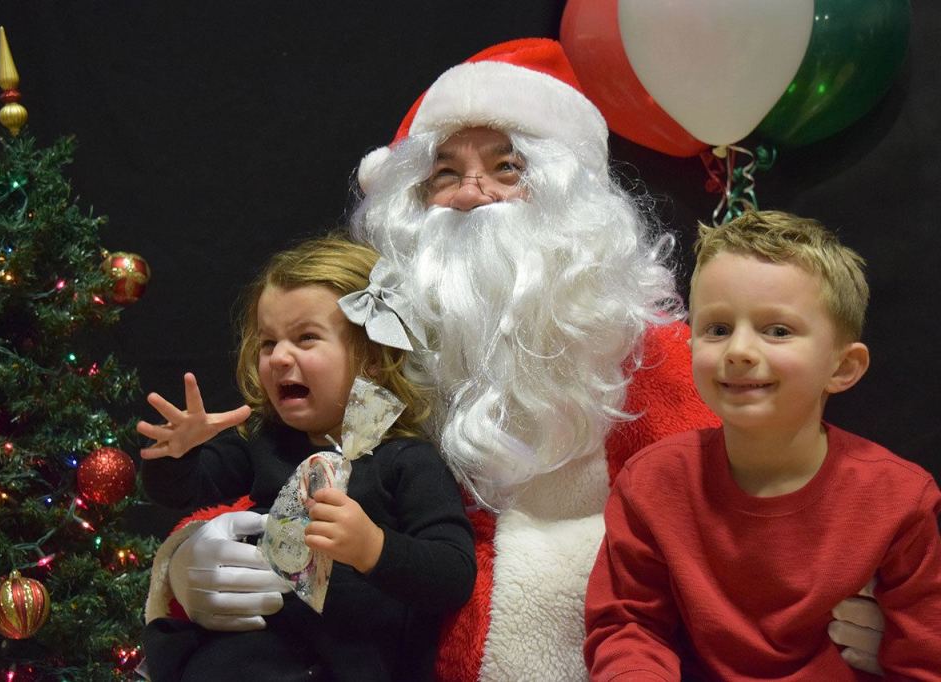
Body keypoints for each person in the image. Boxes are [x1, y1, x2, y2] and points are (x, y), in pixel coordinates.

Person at [144, 39, 884, 680]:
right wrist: (192, 554)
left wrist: (848, 595)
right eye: (445, 172)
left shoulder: (646, 353)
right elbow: (292, 474)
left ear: (574, 202)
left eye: (507, 167)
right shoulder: (373, 351)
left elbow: (738, 506)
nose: (473, 194)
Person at [584, 211, 941, 679]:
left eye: (777, 331)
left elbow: (921, 658)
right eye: (717, 329)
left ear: (843, 368)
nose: (738, 351)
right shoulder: (651, 482)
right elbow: (629, 626)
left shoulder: (900, 500)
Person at [137, 235, 476, 681]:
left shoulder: (406, 461)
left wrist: (374, 547)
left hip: (348, 654)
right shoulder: (264, 440)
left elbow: (453, 573)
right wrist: (175, 455)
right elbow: (184, 491)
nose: (279, 357)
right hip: (250, 646)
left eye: (306, 338)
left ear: (372, 358)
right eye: (267, 343)